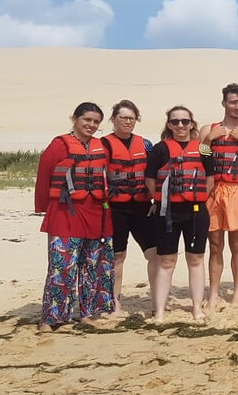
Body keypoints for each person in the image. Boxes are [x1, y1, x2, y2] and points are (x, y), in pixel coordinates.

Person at [34, 102, 114, 331]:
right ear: (75, 119)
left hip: (98, 214)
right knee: (62, 267)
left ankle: (89, 312)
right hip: (65, 213)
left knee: (93, 266)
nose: (91, 125)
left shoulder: (102, 147)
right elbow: (44, 177)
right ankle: (51, 318)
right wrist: (43, 208)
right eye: (87, 120)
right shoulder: (58, 146)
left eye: (96, 122)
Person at [145, 106, 214, 322]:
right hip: (167, 212)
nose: (180, 126)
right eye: (175, 122)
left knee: (196, 259)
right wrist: (158, 199)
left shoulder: (204, 149)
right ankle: (160, 312)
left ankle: (197, 308)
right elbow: (150, 179)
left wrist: (200, 198)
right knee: (166, 261)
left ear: (192, 124)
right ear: (169, 125)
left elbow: (210, 179)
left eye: (185, 121)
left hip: (196, 211)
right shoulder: (159, 149)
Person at [199, 83, 238, 308]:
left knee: (237, 243)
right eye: (233, 102)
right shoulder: (209, 129)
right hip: (213, 190)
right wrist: (208, 140)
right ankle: (214, 292)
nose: (237, 106)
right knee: (215, 244)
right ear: (224, 102)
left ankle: (237, 292)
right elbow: (198, 158)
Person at [102, 100, 156, 315]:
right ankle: (114, 302)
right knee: (117, 256)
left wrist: (157, 200)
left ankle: (157, 300)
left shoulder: (146, 145)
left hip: (143, 207)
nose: (127, 121)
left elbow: (156, 174)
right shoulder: (103, 145)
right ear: (113, 119)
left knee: (155, 254)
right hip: (115, 209)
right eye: (122, 117)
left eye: (131, 118)